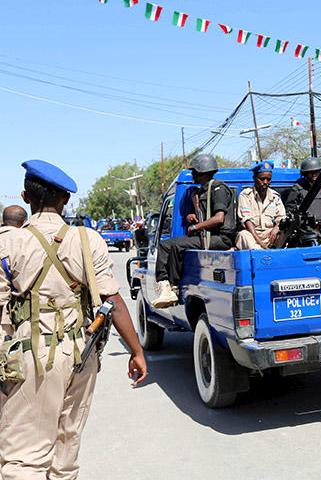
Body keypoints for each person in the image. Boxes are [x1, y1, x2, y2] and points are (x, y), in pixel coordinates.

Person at [0, 160, 147, 479]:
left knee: (24, 458)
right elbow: (114, 300)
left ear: (27, 197)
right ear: (65, 199)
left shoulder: (8, 242)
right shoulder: (87, 239)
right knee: (66, 451)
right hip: (82, 353)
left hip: (31, 354)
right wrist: (136, 351)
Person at [153, 154, 236, 308]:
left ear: (202, 172)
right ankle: (170, 286)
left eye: (194, 172)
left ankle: (167, 286)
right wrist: (193, 216)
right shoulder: (203, 191)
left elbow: (219, 219)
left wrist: (196, 227)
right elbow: (207, 216)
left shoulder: (218, 189)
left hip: (220, 239)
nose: (192, 175)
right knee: (174, 246)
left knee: (167, 245)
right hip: (208, 236)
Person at [284, 157, 321, 244]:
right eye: (311, 172)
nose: (314, 174)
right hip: (305, 233)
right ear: (305, 173)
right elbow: (289, 210)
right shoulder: (297, 189)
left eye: (317, 172)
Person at [236, 162, 286, 250]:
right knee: (243, 235)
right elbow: (247, 221)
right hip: (253, 236)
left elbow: (281, 218)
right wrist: (262, 245)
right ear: (254, 178)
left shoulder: (275, 197)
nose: (265, 182)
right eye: (262, 179)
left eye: (268, 179)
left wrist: (276, 228)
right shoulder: (246, 195)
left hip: (270, 236)